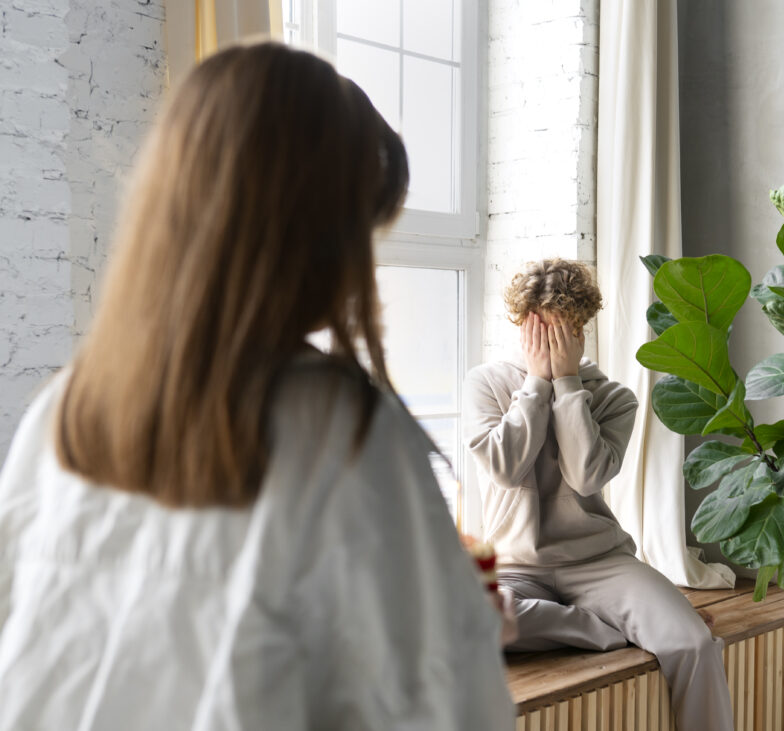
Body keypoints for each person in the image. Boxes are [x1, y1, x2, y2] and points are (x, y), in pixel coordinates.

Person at [0, 43, 514, 730]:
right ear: (315, 238)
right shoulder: (343, 433)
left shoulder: (65, 409)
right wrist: (465, 627)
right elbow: (442, 709)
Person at [464, 258, 734, 731]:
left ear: (581, 329)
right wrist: (535, 385)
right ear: (521, 324)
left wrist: (567, 385)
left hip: (599, 561)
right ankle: (607, 629)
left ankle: (625, 621)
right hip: (515, 564)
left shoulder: (614, 398)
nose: (550, 340)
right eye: (539, 328)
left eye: (562, 329)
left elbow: (586, 477)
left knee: (692, 643)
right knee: (467, 624)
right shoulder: (486, 382)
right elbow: (505, 469)